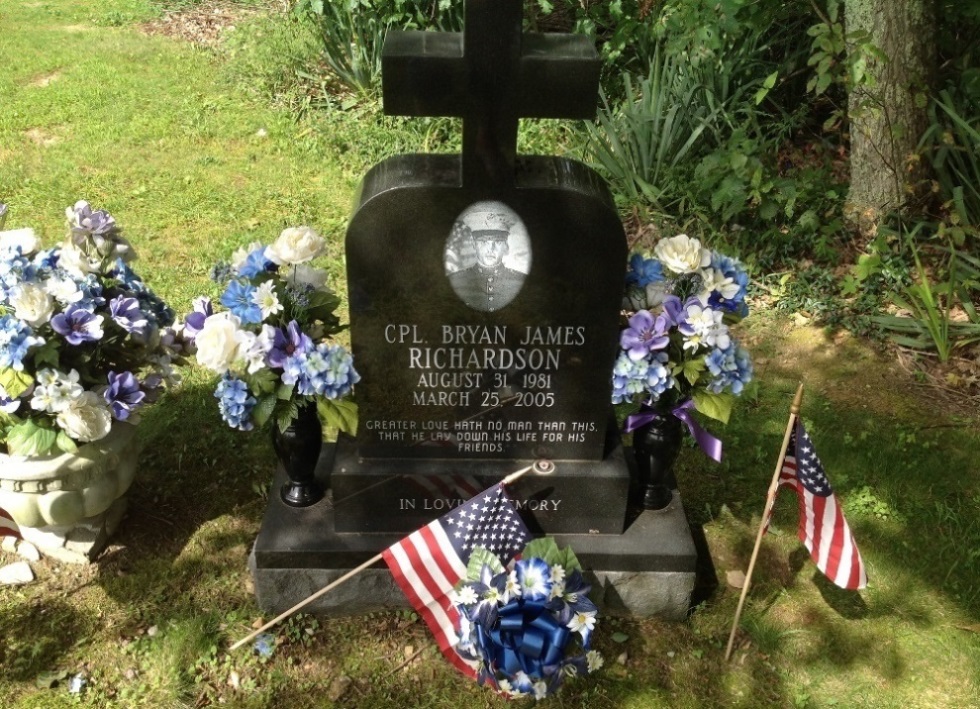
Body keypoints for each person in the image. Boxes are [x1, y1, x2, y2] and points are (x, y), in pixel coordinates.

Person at [448, 226, 526, 312]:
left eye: (497, 242)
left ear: (505, 246)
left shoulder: (521, 281)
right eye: (483, 242)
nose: (490, 249)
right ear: (474, 245)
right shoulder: (456, 281)